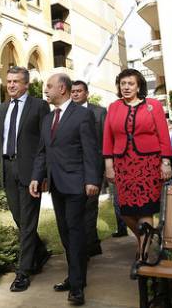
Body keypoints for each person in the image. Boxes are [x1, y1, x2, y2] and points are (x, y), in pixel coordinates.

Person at [30, 73, 100, 306]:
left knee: (76, 232)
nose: (45, 90)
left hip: (77, 184)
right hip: (56, 185)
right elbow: (42, 152)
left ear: (62, 88)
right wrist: (36, 177)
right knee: (66, 235)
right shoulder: (48, 119)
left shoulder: (83, 114)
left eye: (48, 86)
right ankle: (74, 276)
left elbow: (91, 150)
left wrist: (92, 180)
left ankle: (78, 287)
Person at [0, 66, 51, 292]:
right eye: (9, 81)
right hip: (8, 169)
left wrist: (42, 175)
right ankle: (40, 252)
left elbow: (46, 144)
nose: (11, 85)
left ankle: (23, 272)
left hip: (30, 173)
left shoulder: (39, 106)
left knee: (28, 221)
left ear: (25, 84)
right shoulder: (1, 108)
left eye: (16, 81)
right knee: (19, 219)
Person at [102, 69, 172, 259]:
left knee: (145, 209)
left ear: (139, 85)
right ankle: (146, 236)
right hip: (123, 164)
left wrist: (165, 162)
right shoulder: (114, 107)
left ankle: (142, 252)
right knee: (125, 210)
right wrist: (109, 165)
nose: (126, 87)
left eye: (130, 83)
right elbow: (108, 138)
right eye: (123, 83)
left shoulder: (154, 105)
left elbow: (163, 136)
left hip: (148, 163)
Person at [70, 80, 109, 256]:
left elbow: (107, 139)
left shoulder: (99, 112)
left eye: (79, 91)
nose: (75, 94)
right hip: (73, 167)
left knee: (90, 205)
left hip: (94, 166)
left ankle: (91, 245)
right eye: (73, 91)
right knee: (77, 207)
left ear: (86, 93)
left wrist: (106, 164)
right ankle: (88, 244)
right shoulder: (66, 112)